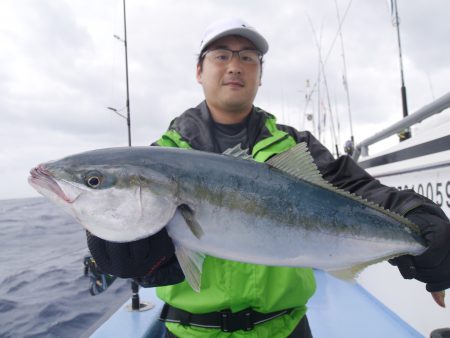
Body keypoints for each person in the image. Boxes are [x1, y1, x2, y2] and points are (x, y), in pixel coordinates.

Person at [86, 18, 450, 337]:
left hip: (287, 329)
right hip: (190, 333)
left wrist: (413, 214)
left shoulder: (294, 145)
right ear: (199, 71)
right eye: (221, 55)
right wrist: (132, 259)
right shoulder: (162, 156)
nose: (235, 65)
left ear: (259, 74)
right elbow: (155, 254)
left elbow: (353, 188)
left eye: (248, 57)